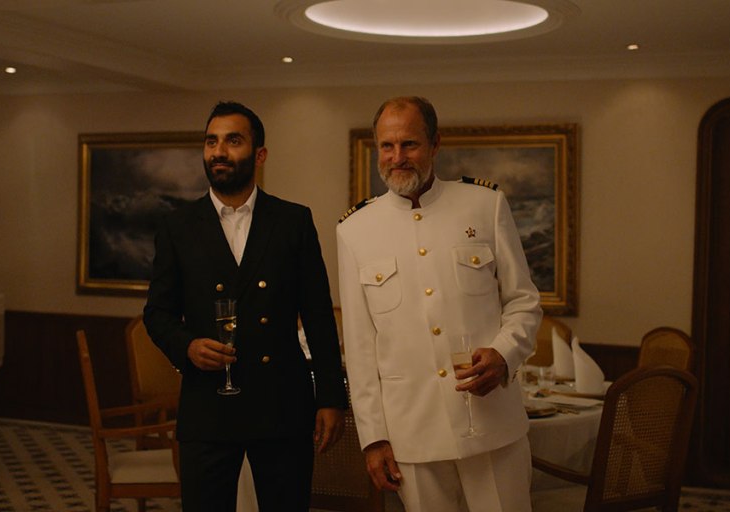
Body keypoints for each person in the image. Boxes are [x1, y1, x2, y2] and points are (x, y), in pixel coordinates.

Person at [336, 96, 542, 512]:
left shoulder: (485, 205)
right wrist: (373, 437)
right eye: (387, 146)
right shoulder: (354, 230)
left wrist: (504, 355)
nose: (398, 158)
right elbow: (360, 347)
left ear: (435, 144)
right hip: (412, 431)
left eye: (409, 144)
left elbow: (524, 302)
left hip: (491, 424)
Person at [143, 101, 347, 512]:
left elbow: (319, 315)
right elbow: (157, 313)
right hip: (208, 406)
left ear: (259, 155)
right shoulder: (177, 226)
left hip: (282, 405)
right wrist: (186, 346)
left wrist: (330, 397)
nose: (219, 151)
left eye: (233, 140)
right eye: (211, 141)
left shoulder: (292, 221)